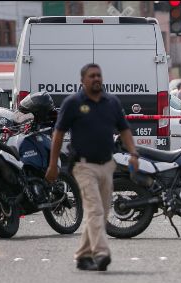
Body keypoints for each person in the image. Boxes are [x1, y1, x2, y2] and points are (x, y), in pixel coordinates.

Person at [46, 63, 139, 271]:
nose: (96, 79)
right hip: (83, 166)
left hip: (107, 165)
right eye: (91, 76)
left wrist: (133, 153)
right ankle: (101, 253)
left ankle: (82, 255)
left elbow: (124, 130)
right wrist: (53, 165)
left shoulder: (111, 102)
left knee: (100, 213)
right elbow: (58, 135)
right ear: (82, 81)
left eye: (99, 75)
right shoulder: (73, 103)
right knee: (95, 209)